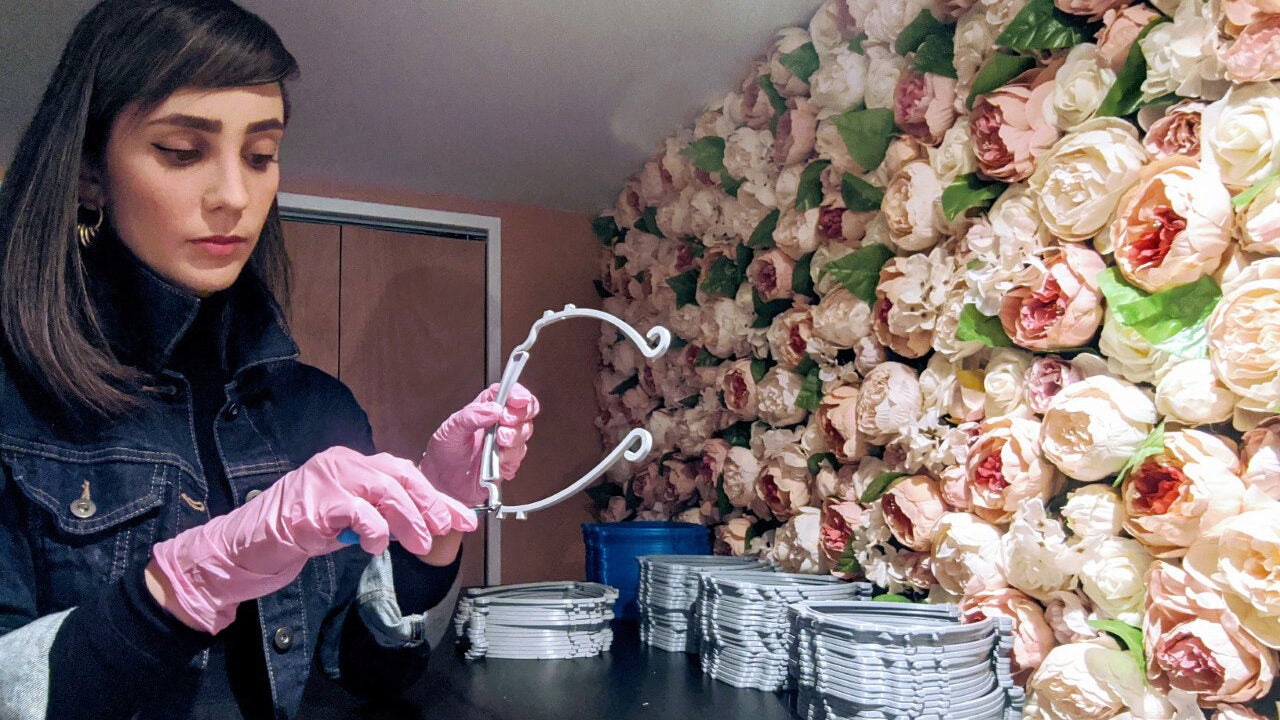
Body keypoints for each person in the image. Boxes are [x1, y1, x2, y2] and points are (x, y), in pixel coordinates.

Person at [0, 1, 539, 718]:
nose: (235, 197)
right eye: (182, 151)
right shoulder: (16, 398)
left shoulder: (316, 409)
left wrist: (435, 525)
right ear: (92, 173)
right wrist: (188, 580)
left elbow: (364, 669)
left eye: (261, 156)